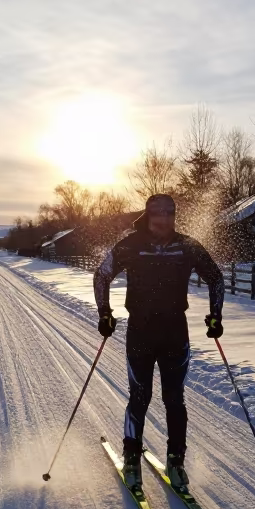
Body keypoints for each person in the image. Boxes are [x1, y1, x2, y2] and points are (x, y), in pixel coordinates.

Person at [93, 193, 224, 490]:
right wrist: (105, 314)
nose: (163, 219)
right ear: (148, 215)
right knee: (140, 396)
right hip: (140, 330)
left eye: (169, 213)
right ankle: (131, 459)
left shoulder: (187, 246)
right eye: (157, 213)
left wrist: (216, 315)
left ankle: (176, 461)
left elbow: (215, 277)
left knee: (174, 399)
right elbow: (101, 276)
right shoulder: (130, 245)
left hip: (176, 331)